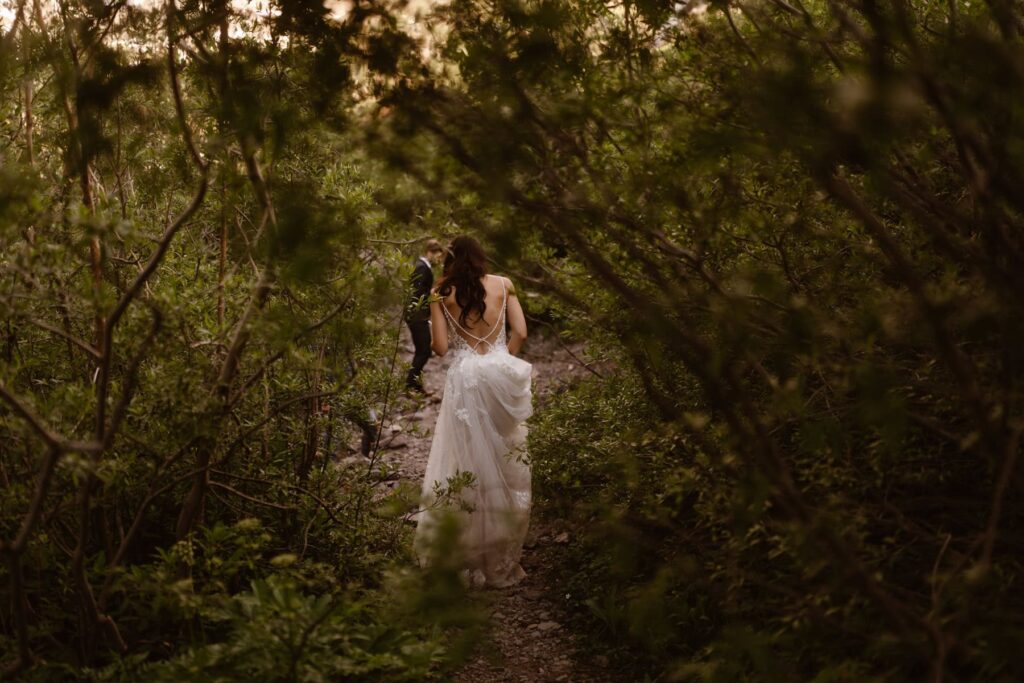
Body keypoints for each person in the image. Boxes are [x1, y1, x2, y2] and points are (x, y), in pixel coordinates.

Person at [413, 235, 532, 588]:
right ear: (482, 256)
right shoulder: (504, 284)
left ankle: (466, 553)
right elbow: (521, 331)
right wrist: (501, 359)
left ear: (450, 260)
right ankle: (501, 552)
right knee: (504, 458)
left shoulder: (441, 290)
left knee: (466, 463)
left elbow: (440, 348)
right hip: (500, 372)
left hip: (466, 379)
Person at [405, 239, 445, 393]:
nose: (438, 260)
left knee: (423, 350)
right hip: (417, 315)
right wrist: (427, 311)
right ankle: (411, 385)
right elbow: (418, 293)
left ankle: (414, 385)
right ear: (430, 252)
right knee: (424, 350)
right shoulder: (422, 267)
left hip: (416, 314)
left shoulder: (420, 266)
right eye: (438, 256)